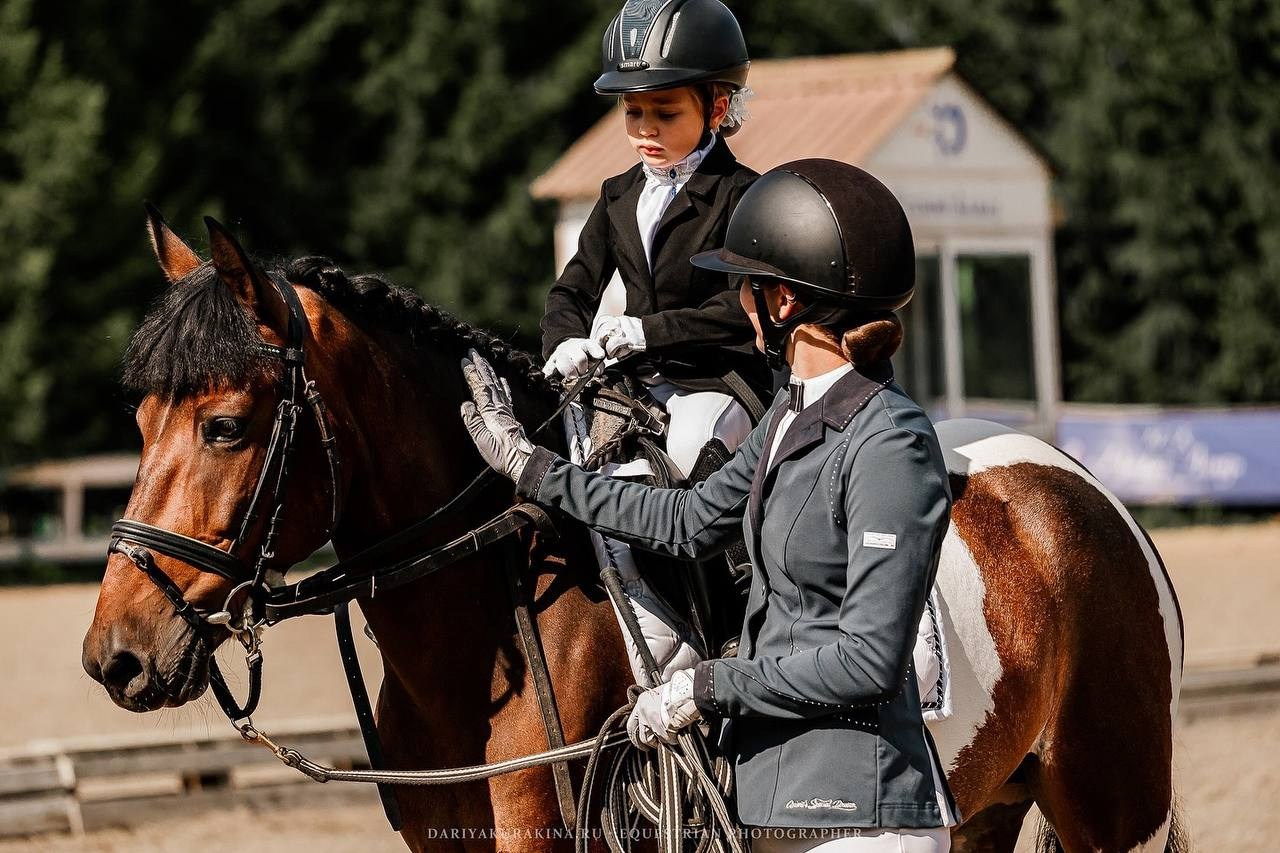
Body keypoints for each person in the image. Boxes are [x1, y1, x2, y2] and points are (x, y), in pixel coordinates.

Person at [461, 159, 957, 851]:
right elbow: (686, 520)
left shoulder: (890, 440)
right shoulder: (788, 413)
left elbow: (868, 659)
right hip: (772, 805)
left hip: (861, 814)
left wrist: (706, 686)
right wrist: (535, 468)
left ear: (782, 302)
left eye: (744, 287)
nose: (738, 303)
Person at [540, 0, 771, 687]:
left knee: (691, 452)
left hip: (721, 382)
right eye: (632, 114)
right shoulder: (615, 197)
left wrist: (648, 331)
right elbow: (572, 291)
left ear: (717, 103)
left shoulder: (745, 196)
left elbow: (745, 307)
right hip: (637, 386)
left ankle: (733, 624)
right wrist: (564, 344)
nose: (644, 131)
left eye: (663, 113)